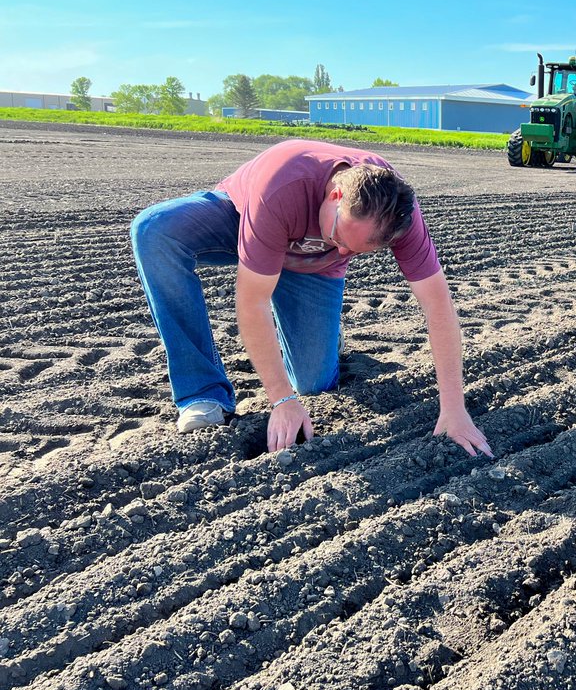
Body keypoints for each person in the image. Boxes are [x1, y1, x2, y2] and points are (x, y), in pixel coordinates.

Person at [130, 138, 491, 457]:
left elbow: (438, 306)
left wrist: (454, 409)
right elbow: (252, 301)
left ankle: (326, 335)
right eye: (338, 236)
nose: (340, 248)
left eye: (352, 250)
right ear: (335, 196)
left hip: (312, 269)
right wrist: (282, 400)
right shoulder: (283, 184)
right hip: (247, 225)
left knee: (314, 384)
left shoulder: (401, 217)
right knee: (154, 231)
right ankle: (202, 393)